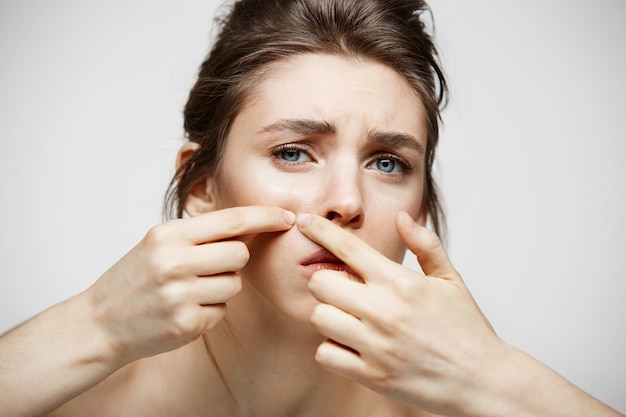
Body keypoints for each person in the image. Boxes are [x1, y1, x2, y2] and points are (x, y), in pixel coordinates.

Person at [0, 0, 623, 416]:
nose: (347, 202)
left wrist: (497, 378)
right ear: (200, 186)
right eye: (294, 152)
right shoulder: (73, 398)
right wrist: (96, 326)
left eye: (388, 163)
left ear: (422, 205)